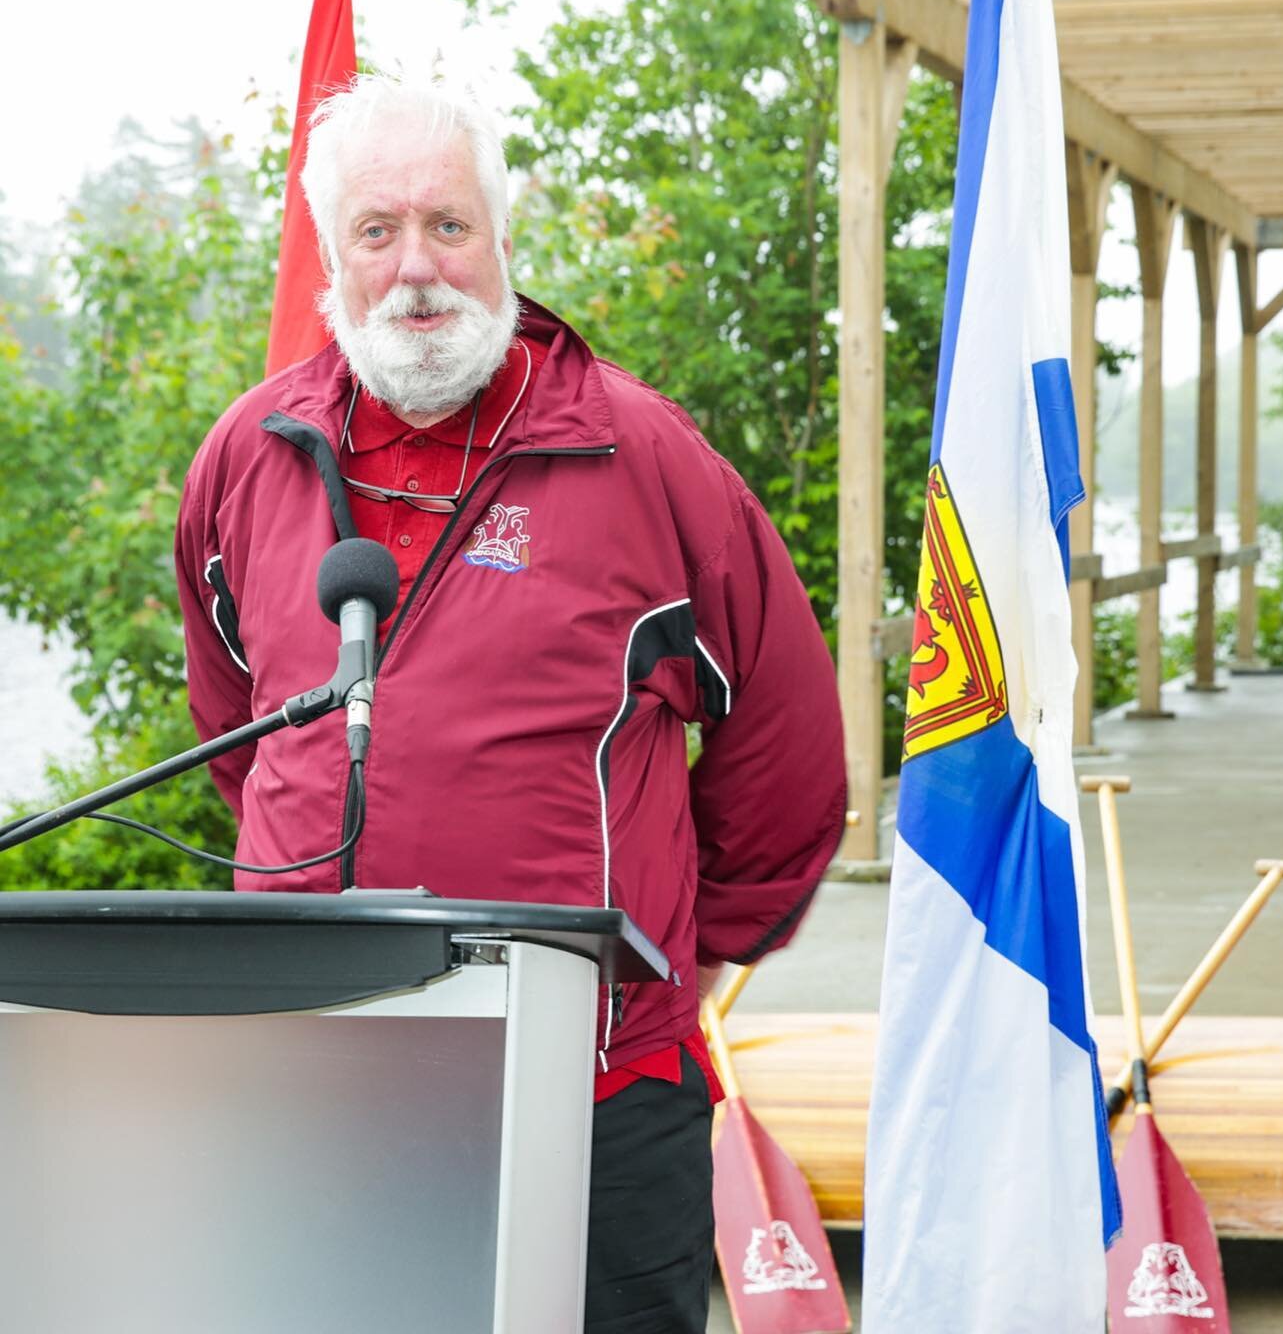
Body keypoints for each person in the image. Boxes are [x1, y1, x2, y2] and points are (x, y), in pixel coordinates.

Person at [174, 73, 846, 1333]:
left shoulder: (644, 457)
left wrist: (680, 957)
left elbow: (787, 743)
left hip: (593, 1092)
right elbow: (241, 739)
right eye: (378, 232)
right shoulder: (245, 459)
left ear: (500, 239)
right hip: (313, 1084)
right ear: (333, 259)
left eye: (449, 225)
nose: (417, 267)